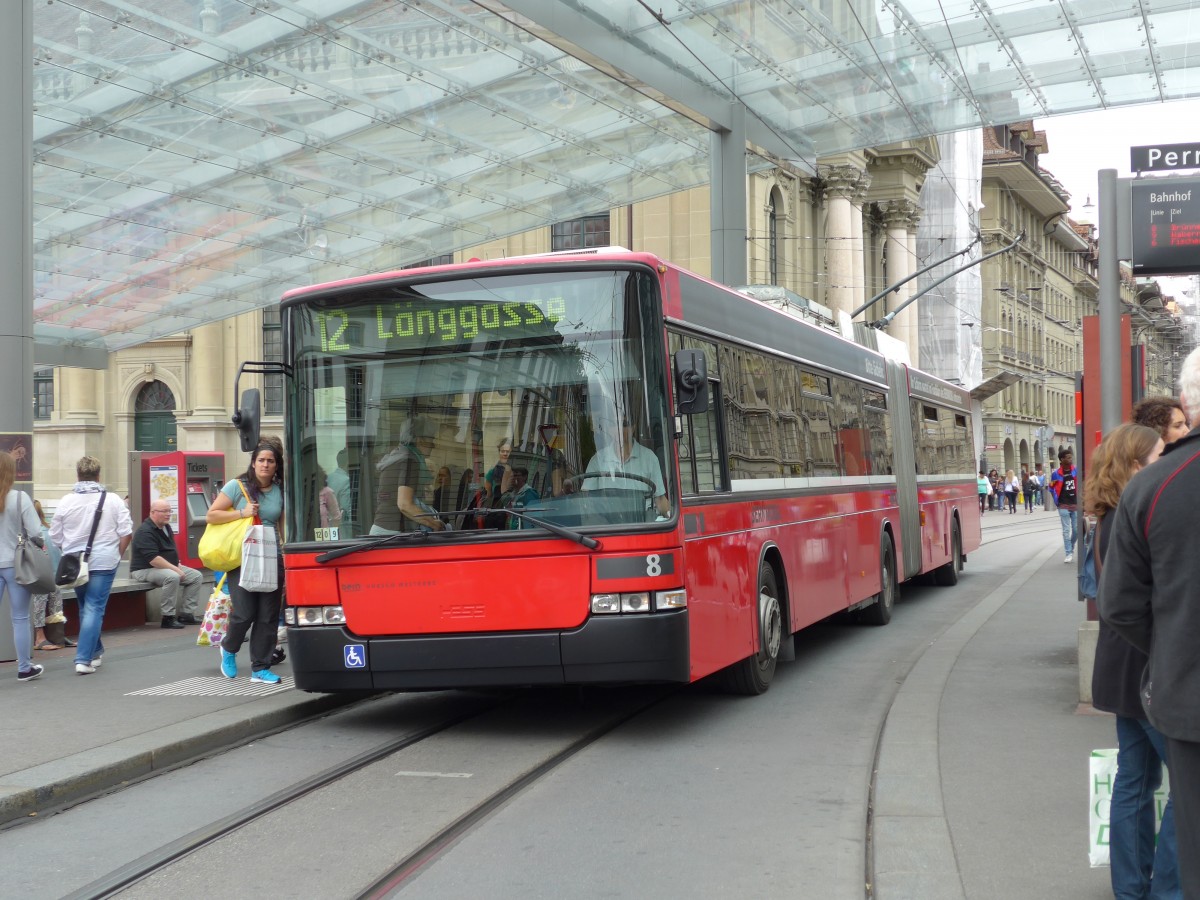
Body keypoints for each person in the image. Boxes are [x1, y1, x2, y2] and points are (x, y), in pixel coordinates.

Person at [1101, 345, 1200, 897]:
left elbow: (1118, 604)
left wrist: (1171, 649)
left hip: (1183, 695)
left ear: (1189, 400)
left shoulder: (1153, 488)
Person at [1086, 423, 1178, 899]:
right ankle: (1165, 889)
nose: (1170, 458)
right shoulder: (1137, 512)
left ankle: (1130, 889)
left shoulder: (1109, 513)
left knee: (1135, 780)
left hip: (1120, 667)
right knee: (1184, 788)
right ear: (1136, 464)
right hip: (1146, 669)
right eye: (1163, 452)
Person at [207, 439, 286, 684]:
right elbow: (212, 515)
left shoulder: (280, 491)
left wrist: (287, 554)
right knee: (244, 612)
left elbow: (282, 526)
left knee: (268, 615)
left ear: (276, 466)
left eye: (270, 461)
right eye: (261, 460)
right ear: (253, 464)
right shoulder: (236, 486)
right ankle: (229, 649)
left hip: (272, 557)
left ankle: (260, 667)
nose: (265, 465)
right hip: (243, 557)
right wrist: (242, 513)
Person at [50, 455, 133, 676]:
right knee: (94, 606)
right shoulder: (113, 500)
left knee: (85, 605)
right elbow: (126, 532)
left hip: (76, 562)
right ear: (98, 475)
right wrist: (117, 554)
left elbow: (55, 535)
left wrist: (67, 551)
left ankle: (95, 652)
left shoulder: (66, 501)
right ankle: (83, 658)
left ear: (78, 475)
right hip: (105, 559)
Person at [0, 452, 45, 681]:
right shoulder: (20, 498)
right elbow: (36, 532)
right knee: (19, 618)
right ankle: (24, 667)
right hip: (16, 564)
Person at [129, 500, 204, 629]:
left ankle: (186, 614)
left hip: (164, 567)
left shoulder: (165, 527)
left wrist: (177, 565)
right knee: (172, 576)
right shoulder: (145, 532)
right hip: (144, 569)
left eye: (169, 511)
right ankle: (167, 617)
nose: (168, 514)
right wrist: (175, 569)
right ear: (153, 512)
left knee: (196, 576)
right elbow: (153, 559)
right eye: (164, 511)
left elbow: (169, 551)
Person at [371, 415, 446, 534]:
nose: (433, 446)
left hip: (383, 530)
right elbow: (404, 504)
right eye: (431, 440)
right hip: (392, 534)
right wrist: (434, 524)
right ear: (420, 440)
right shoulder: (409, 461)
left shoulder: (398, 456)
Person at [585, 415, 670, 517]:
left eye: (624, 424)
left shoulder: (649, 458)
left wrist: (674, 519)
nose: (619, 429)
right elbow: (586, 499)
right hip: (607, 525)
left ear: (633, 427)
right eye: (615, 425)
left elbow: (660, 499)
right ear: (609, 429)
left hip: (643, 524)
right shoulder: (598, 460)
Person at [31, 499, 66, 651]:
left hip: (39, 577)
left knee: (39, 602)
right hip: (54, 576)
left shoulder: (32, 534)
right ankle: (57, 635)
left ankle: (40, 637)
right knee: (56, 604)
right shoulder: (49, 530)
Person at [1049, 448, 1078, 562]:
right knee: (1066, 531)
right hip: (1063, 505)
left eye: (1071, 457)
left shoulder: (1075, 470)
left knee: (1076, 530)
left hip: (1075, 504)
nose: (1071, 459)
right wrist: (1057, 500)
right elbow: (1051, 487)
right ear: (1062, 459)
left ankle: (1070, 547)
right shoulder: (1056, 474)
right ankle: (1068, 553)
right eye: (1068, 457)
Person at [325, 449, 353, 537]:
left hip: (328, 529)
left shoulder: (328, 478)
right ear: (348, 462)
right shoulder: (346, 480)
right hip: (342, 531)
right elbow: (346, 509)